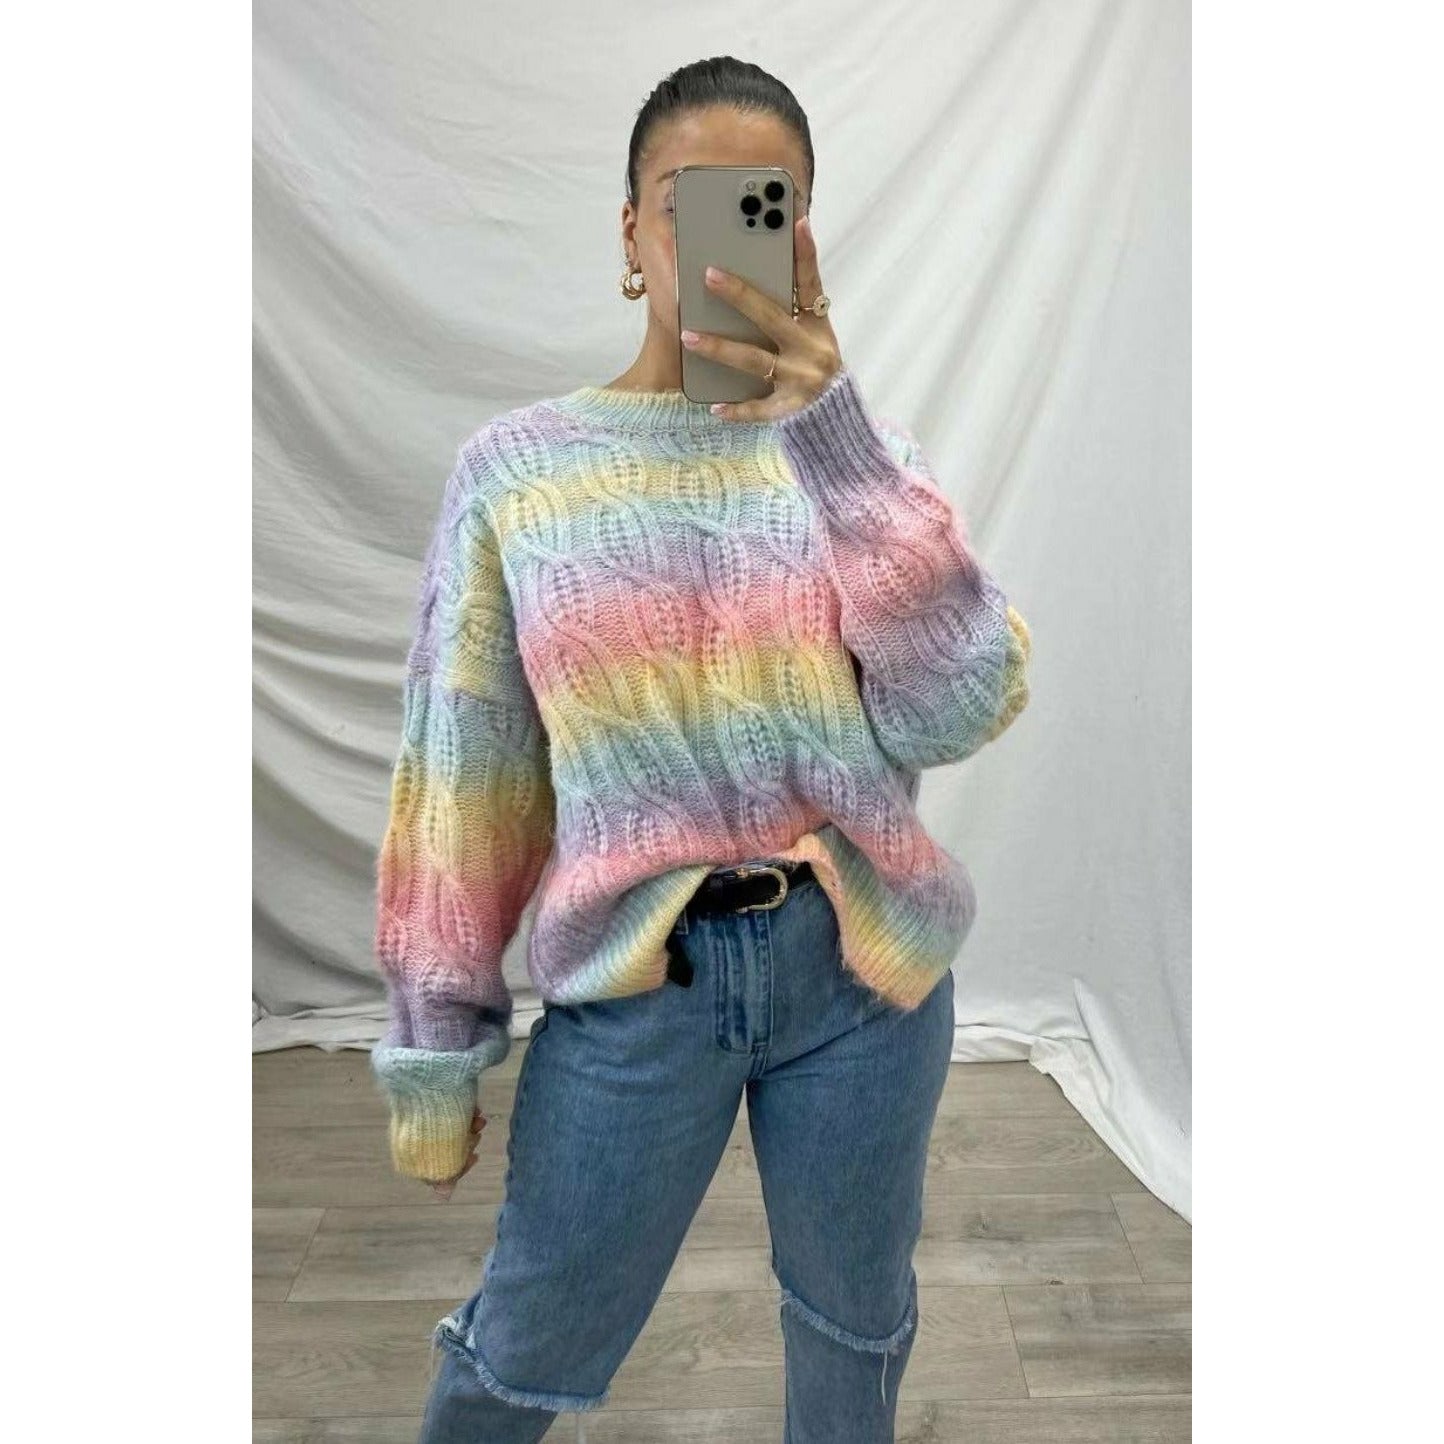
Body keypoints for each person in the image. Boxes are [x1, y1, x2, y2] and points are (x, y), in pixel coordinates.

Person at [370, 55, 1032, 1444]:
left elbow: (959, 705)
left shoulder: (861, 460)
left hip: (861, 980)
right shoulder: (520, 471)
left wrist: (834, 442)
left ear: (803, 233)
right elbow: (465, 777)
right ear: (631, 232)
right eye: (689, 201)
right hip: (640, 990)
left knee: (855, 1330)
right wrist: (435, 1044)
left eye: (764, 203)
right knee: (523, 1345)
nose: (723, 237)